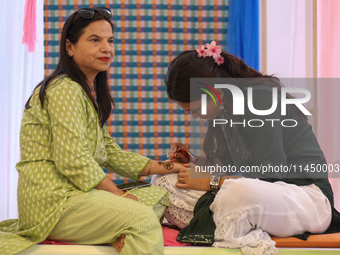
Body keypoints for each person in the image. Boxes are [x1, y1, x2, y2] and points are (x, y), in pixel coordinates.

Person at [0, 7, 184, 255]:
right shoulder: (63, 89)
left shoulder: (83, 93)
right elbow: (73, 161)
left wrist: (171, 167)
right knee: (141, 216)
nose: (106, 49)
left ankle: (112, 234)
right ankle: (117, 232)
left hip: (78, 196)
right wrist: (119, 195)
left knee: (158, 196)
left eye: (110, 41)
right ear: (70, 47)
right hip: (55, 202)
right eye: (95, 40)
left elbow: (109, 152)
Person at [153, 41, 339, 255]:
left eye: (195, 109)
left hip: (306, 198)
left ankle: (243, 233)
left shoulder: (258, 97)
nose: (195, 116)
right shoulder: (224, 109)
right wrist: (192, 161)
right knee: (164, 181)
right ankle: (236, 226)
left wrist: (210, 182)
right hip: (263, 198)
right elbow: (233, 167)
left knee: (237, 193)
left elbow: (269, 174)